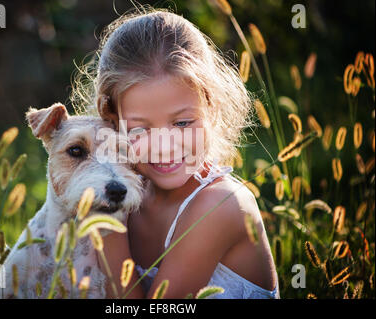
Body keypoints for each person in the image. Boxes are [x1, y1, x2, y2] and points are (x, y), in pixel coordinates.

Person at [73, 7, 279, 299]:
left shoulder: (221, 205)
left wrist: (110, 230)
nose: (164, 145)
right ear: (112, 122)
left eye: (182, 123)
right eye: (139, 129)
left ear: (212, 106)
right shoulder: (127, 190)